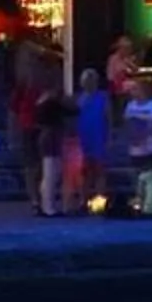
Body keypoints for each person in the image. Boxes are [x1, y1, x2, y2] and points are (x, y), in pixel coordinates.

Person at [28, 81, 71, 217]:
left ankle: (47, 205)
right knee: (50, 173)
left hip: (49, 138)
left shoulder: (42, 104)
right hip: (50, 139)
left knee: (51, 173)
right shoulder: (51, 104)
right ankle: (48, 207)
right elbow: (72, 111)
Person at [71, 69, 110, 207]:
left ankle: (99, 203)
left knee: (99, 171)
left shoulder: (103, 97)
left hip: (98, 136)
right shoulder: (79, 98)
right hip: (83, 137)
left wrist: (108, 135)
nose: (89, 83)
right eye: (86, 81)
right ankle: (84, 201)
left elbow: (108, 117)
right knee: (84, 172)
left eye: (91, 80)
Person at [121, 78, 152, 181]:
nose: (133, 92)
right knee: (137, 178)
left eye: (136, 89)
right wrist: (132, 137)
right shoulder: (130, 106)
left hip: (151, 149)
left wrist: (142, 136)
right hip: (135, 149)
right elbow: (127, 124)